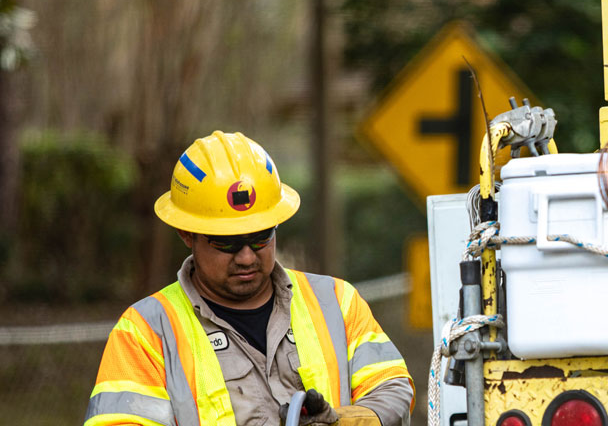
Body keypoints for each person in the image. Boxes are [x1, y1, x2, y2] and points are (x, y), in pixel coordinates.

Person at [86, 131, 414, 426]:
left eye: (260, 238)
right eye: (226, 242)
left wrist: (347, 422)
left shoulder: (336, 302)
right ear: (187, 234)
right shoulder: (146, 332)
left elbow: (392, 386)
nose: (246, 256)